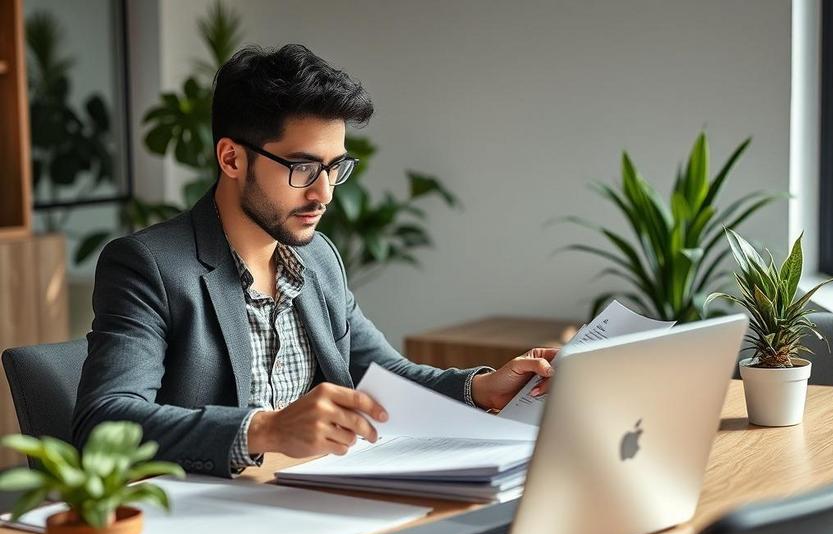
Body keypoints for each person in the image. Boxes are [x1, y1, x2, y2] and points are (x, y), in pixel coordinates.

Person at [72, 44, 557, 477]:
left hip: (312, 497)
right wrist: (264, 430)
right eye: (303, 167)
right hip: (211, 520)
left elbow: (380, 376)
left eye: (334, 167)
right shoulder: (148, 265)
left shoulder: (317, 257)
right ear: (232, 159)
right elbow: (105, 423)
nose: (323, 193)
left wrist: (483, 388)